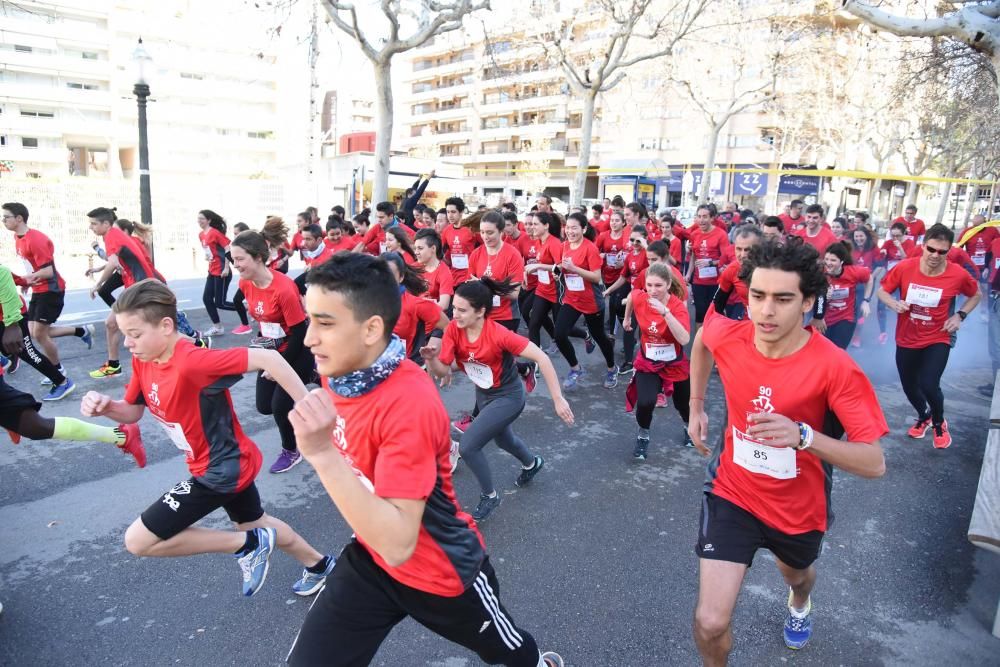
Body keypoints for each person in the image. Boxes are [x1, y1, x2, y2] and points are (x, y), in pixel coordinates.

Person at [284, 253, 565, 667]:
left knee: (512, 657)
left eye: (325, 323)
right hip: (371, 558)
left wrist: (322, 453)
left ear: (371, 329)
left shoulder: (408, 404)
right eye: (311, 320)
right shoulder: (340, 369)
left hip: (440, 571)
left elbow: (400, 543)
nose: (309, 338)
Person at [688, 238, 888, 662]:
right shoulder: (733, 334)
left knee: (795, 576)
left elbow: (874, 463)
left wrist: (804, 437)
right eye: (757, 296)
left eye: (782, 299)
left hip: (797, 509)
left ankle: (799, 602)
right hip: (733, 492)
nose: (765, 310)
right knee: (710, 622)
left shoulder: (834, 366)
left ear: (808, 301)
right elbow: (704, 338)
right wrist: (697, 406)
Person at [80, 279, 335, 598]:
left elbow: (268, 359)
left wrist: (306, 404)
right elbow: (132, 411)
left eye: (135, 334)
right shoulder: (143, 358)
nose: (128, 343)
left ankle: (248, 547)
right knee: (255, 522)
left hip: (221, 470)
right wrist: (106, 408)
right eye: (124, 334)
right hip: (214, 462)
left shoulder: (191, 362)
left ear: (165, 325)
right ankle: (320, 564)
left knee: (139, 540)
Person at [422, 278, 573, 520]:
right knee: (504, 441)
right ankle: (531, 463)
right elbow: (444, 371)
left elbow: (542, 358)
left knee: (469, 445)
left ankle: (490, 496)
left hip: (509, 396)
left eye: (462, 310)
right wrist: (431, 360)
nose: (455, 314)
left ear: (481, 311)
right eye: (454, 309)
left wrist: (558, 399)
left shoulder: (499, 334)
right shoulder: (453, 330)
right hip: (484, 395)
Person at [877, 223, 981, 449]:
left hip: (938, 336)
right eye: (931, 249)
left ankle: (938, 422)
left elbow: (976, 295)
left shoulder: (957, 273)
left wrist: (959, 316)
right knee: (908, 385)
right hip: (907, 336)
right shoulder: (905, 267)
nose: (935, 255)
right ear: (923, 246)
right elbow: (882, 290)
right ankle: (923, 415)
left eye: (942, 252)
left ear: (949, 251)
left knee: (929, 383)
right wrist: (894, 303)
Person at [231, 231, 315, 474]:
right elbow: (262, 321)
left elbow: (300, 333)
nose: (236, 265)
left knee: (279, 407)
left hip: (296, 349)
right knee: (264, 406)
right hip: (270, 348)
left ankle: (291, 450)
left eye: (240, 259)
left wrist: (277, 367)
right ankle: (310, 378)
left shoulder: (284, 289)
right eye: (233, 260)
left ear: (258, 258)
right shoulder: (245, 283)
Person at [3, 202, 90, 399]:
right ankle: (80, 332)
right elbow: (30, 266)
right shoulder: (17, 238)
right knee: (35, 333)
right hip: (37, 289)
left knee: (39, 335)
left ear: (19, 218)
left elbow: (49, 271)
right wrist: (28, 281)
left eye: (6, 217)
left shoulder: (36, 239)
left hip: (51, 289)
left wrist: (26, 279)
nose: (3, 221)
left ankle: (58, 373)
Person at [620, 263, 692, 459]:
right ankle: (643, 434)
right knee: (645, 402)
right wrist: (627, 320)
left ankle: (688, 427)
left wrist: (665, 313)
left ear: (668, 284)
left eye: (658, 286)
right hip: (648, 361)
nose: (653, 290)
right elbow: (632, 297)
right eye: (649, 285)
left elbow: (685, 339)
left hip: (674, 363)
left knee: (683, 403)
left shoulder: (677, 306)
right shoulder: (641, 297)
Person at [87, 206, 168, 379]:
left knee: (145, 326)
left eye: (94, 224)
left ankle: (165, 357)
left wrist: (98, 285)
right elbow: (115, 262)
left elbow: (112, 262)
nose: (91, 227)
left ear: (106, 223)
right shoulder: (114, 235)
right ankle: (115, 364)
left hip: (141, 286)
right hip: (137, 285)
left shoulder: (111, 235)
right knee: (114, 324)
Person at [381, 252, 448, 359]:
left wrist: (444, 360)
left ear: (401, 277)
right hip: (379, 369)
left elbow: (448, 327)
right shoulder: (369, 302)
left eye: (390, 275)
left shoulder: (415, 304)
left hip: (409, 368)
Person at [468, 211, 525, 330]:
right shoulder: (476, 254)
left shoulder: (512, 254)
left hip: (505, 317)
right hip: (481, 315)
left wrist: (484, 285)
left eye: (490, 232)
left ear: (501, 231)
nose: (485, 237)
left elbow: (514, 293)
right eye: (482, 232)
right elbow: (470, 283)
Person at [813, 242, 873, 349]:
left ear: (842, 261)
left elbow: (869, 278)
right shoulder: (820, 273)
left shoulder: (853, 272)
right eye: (826, 259)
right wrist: (823, 296)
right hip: (824, 319)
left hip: (845, 318)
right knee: (822, 351)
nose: (828, 263)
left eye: (833, 260)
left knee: (838, 351)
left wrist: (866, 300)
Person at [685, 205, 731, 328]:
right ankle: (700, 343)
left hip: (716, 282)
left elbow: (727, 259)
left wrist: (710, 262)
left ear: (712, 218)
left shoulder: (721, 234)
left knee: (715, 313)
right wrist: (688, 274)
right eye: (699, 217)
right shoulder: (694, 234)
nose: (701, 220)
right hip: (698, 281)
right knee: (700, 312)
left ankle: (714, 342)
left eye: (705, 217)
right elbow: (694, 256)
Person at [197, 209, 237, 337]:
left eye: (202, 218)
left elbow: (227, 248)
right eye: (198, 219)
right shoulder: (201, 235)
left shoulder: (215, 233)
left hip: (221, 271)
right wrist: (208, 257)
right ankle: (217, 327)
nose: (199, 221)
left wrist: (226, 267)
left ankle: (248, 308)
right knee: (207, 299)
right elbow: (211, 251)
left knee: (221, 303)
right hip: (212, 271)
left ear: (208, 220)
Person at [875, 222, 916, 345]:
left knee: (902, 307)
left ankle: (903, 332)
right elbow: (879, 260)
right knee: (881, 305)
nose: (895, 238)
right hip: (890, 278)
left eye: (898, 235)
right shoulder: (888, 243)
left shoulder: (909, 243)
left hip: (903, 280)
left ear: (904, 234)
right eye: (893, 235)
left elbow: (909, 261)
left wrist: (900, 248)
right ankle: (883, 332)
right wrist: (882, 254)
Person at [713, 225, 762, 321]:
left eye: (748, 250)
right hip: (749, 323)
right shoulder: (732, 269)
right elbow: (718, 302)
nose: (742, 255)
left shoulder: (773, 268)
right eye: (738, 249)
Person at [442, 196, 480, 285]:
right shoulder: (446, 231)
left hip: (469, 277)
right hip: (453, 277)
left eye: (453, 212)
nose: (450, 215)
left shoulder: (471, 229)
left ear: (461, 212)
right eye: (448, 212)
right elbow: (442, 252)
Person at [414, 228, 455, 311]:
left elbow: (443, 305)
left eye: (420, 248)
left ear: (433, 248)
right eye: (415, 248)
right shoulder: (414, 268)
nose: (416, 252)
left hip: (431, 316)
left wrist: (421, 307)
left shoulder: (444, 272)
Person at [295, 224, 337, 295]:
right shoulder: (313, 251)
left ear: (319, 240)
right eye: (303, 239)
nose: (304, 243)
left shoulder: (326, 260)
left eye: (308, 239)